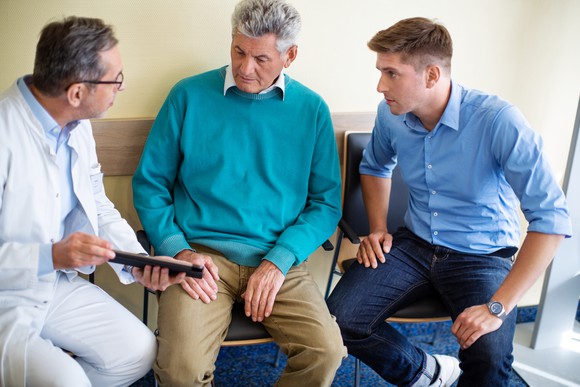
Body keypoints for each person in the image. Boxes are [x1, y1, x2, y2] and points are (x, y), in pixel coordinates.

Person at [326, 17, 572, 387]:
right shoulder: (390, 115)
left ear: (431, 75)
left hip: (482, 255)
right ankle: (430, 372)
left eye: (392, 74)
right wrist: (377, 228)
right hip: (414, 245)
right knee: (339, 319)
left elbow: (551, 220)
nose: (380, 86)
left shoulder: (498, 121)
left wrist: (497, 308)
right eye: (380, 72)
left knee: (489, 357)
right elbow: (376, 166)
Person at [132, 0, 346, 385]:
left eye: (261, 58)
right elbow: (150, 184)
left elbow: (325, 204)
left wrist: (279, 260)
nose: (245, 68)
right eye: (238, 51)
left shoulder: (312, 109)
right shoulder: (188, 95)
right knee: (180, 370)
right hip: (200, 258)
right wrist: (178, 249)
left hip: (278, 259)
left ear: (290, 55)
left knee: (327, 353)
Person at [0, 16, 186, 387]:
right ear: (76, 92)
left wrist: (138, 263)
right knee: (68, 382)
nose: (122, 86)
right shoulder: (5, 132)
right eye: (115, 80)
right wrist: (50, 256)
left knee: (138, 352)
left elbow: (97, 206)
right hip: (6, 296)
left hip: (55, 286)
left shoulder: (77, 125)